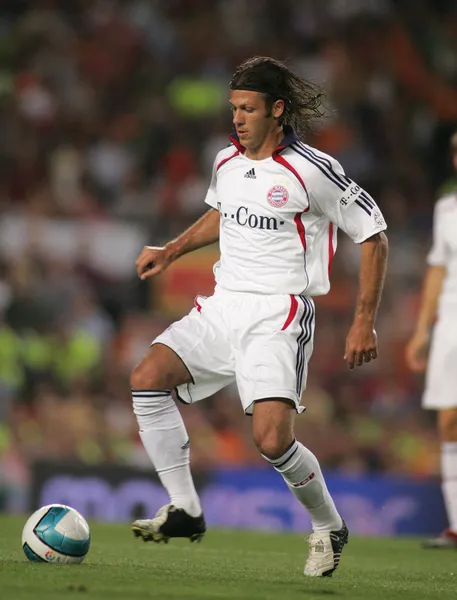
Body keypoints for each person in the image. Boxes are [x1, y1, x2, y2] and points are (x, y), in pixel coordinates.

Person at [130, 56, 388, 577]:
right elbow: (223, 211)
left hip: (279, 312)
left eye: (248, 109)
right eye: (233, 109)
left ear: (277, 110)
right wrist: (174, 248)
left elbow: (375, 235)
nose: (238, 119)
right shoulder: (226, 161)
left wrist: (364, 319)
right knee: (147, 378)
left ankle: (328, 527)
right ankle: (186, 508)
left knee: (272, 440)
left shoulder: (314, 170)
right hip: (225, 303)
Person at [406, 132, 457, 549]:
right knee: (448, 421)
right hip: (451, 325)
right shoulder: (447, 208)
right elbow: (438, 269)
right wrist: (423, 329)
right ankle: (456, 526)